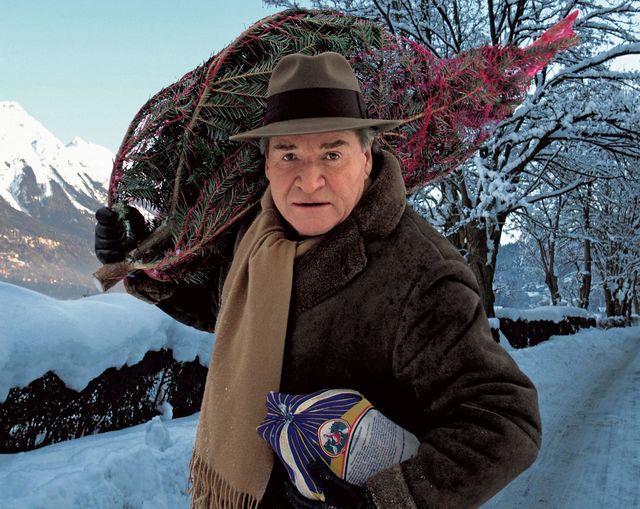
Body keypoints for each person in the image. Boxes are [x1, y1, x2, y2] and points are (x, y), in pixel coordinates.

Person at [95, 52, 541, 509]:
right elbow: (225, 309)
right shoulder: (257, 239)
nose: (309, 181)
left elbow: (505, 419)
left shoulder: (419, 273)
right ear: (267, 164)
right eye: (289, 154)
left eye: (332, 153)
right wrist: (140, 257)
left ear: (365, 158)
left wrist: (382, 500)